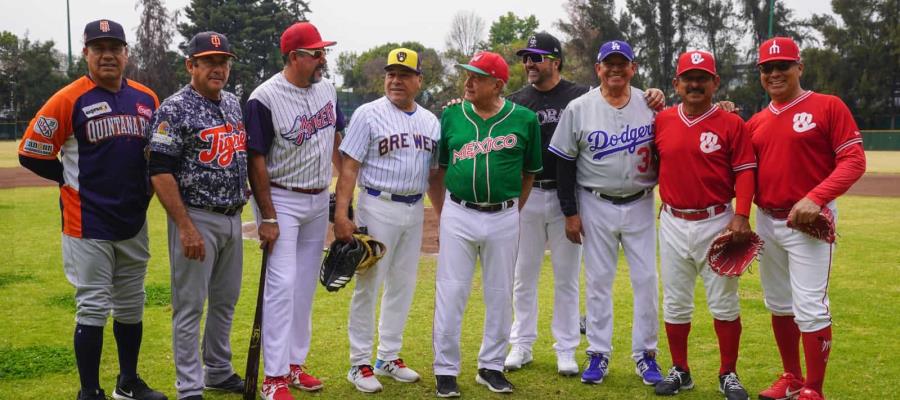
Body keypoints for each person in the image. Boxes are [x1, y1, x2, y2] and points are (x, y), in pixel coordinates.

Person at [17, 19, 166, 400]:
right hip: (86, 222)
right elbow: (30, 152)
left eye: (114, 48)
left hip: (133, 220)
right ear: (86, 53)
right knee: (93, 306)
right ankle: (89, 391)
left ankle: (128, 382)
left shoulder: (147, 99)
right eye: (98, 48)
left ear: (126, 54)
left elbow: (158, 155)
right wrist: (69, 179)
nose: (107, 55)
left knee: (132, 303)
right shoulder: (68, 98)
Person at [504, 32, 665, 377]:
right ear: (599, 68)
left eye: (537, 57)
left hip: (613, 199)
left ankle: (601, 351)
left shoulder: (589, 97)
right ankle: (533, 344)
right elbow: (556, 156)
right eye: (526, 57)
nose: (530, 63)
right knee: (532, 276)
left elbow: (665, 144)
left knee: (616, 279)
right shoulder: (523, 101)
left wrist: (660, 95)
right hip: (548, 196)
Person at [748, 37, 865, 400]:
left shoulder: (827, 106)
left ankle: (814, 389)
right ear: (761, 75)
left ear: (800, 67)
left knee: (810, 306)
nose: (775, 73)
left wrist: (817, 197)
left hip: (809, 224)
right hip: (767, 219)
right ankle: (792, 377)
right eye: (767, 68)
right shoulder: (755, 122)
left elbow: (854, 161)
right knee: (779, 304)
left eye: (783, 65)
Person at [548, 40, 662, 387]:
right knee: (598, 281)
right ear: (598, 69)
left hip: (641, 200)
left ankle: (646, 354)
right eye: (608, 64)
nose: (615, 69)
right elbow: (564, 163)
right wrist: (570, 212)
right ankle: (598, 353)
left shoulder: (650, 104)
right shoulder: (579, 108)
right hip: (594, 201)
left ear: (633, 68)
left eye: (621, 63)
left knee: (646, 280)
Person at [431, 51, 542, 397]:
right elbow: (440, 170)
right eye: (467, 75)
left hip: (504, 215)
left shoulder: (524, 120)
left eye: (476, 76)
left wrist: (511, 209)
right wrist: (444, 212)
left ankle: (491, 367)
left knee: (499, 293)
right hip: (458, 213)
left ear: (497, 84)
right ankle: (445, 370)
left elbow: (529, 174)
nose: (468, 81)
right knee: (451, 291)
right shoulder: (451, 115)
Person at [243, 21, 344, 400]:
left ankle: (294, 364)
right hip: (281, 198)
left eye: (322, 51)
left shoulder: (328, 90)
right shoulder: (263, 98)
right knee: (282, 285)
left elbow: (336, 140)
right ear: (293, 57)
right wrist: (267, 215)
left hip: (318, 198)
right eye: (315, 52)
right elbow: (256, 160)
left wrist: (345, 200)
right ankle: (273, 377)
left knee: (303, 287)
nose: (321, 58)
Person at [332, 47, 442, 393]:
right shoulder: (368, 114)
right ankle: (359, 363)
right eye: (391, 74)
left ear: (419, 81)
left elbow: (435, 172)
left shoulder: (430, 121)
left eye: (404, 74)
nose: (396, 80)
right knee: (369, 284)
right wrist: (342, 214)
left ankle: (388, 357)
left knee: (403, 284)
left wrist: (439, 214)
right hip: (377, 205)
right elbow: (349, 167)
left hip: (413, 208)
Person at [148, 31, 248, 400]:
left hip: (233, 217)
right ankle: (189, 386)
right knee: (190, 306)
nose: (218, 68)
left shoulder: (234, 104)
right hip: (197, 217)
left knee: (225, 301)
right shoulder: (173, 109)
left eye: (223, 62)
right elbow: (159, 171)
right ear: (191, 65)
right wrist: (185, 227)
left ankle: (218, 370)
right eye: (208, 61)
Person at [652, 50, 755, 400]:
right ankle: (680, 369)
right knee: (676, 303)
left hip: (718, 221)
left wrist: (741, 215)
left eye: (702, 77)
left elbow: (744, 171)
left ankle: (728, 373)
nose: (695, 84)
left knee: (724, 304)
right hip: (672, 220)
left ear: (715, 83)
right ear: (676, 83)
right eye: (688, 78)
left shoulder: (731, 123)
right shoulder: (662, 120)